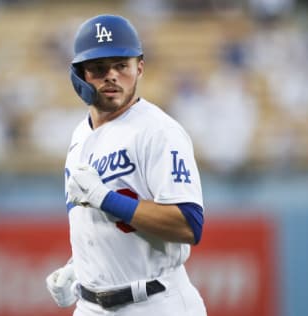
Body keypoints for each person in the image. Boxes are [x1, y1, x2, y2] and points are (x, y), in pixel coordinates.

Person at [46, 14, 207, 316]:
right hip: (91, 307)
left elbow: (189, 224)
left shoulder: (158, 131)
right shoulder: (80, 136)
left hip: (155, 302)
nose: (111, 76)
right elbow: (100, 226)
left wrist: (106, 199)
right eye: (98, 68)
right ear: (80, 74)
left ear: (139, 67)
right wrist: (78, 268)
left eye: (122, 65)